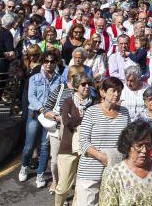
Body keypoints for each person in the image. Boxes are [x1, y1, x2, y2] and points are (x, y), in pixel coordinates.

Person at [75, 76, 130, 205]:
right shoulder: (91, 111)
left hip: (115, 171)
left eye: (119, 91)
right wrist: (102, 157)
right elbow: (83, 141)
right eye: (113, 91)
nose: (117, 94)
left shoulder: (124, 112)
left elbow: (128, 140)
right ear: (103, 92)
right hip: (90, 170)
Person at [98, 120, 152, 206]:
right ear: (128, 146)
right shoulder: (114, 174)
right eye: (139, 146)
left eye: (148, 145)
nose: (144, 150)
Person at [19, 49, 62, 188]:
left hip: (50, 117)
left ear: (56, 63)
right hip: (35, 114)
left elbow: (59, 98)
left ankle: (40, 174)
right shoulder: (34, 78)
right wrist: (43, 110)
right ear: (42, 62)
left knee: (45, 146)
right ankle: (24, 166)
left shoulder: (60, 79)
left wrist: (53, 113)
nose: (49, 64)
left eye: (52, 61)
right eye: (46, 61)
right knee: (29, 145)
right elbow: (31, 97)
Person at [55, 73, 94, 206]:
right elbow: (66, 121)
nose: (87, 86)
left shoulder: (93, 102)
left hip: (87, 148)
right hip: (68, 147)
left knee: (81, 186)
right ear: (77, 86)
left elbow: (96, 123)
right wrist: (85, 119)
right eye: (83, 84)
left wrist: (76, 119)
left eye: (89, 83)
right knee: (63, 186)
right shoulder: (68, 101)